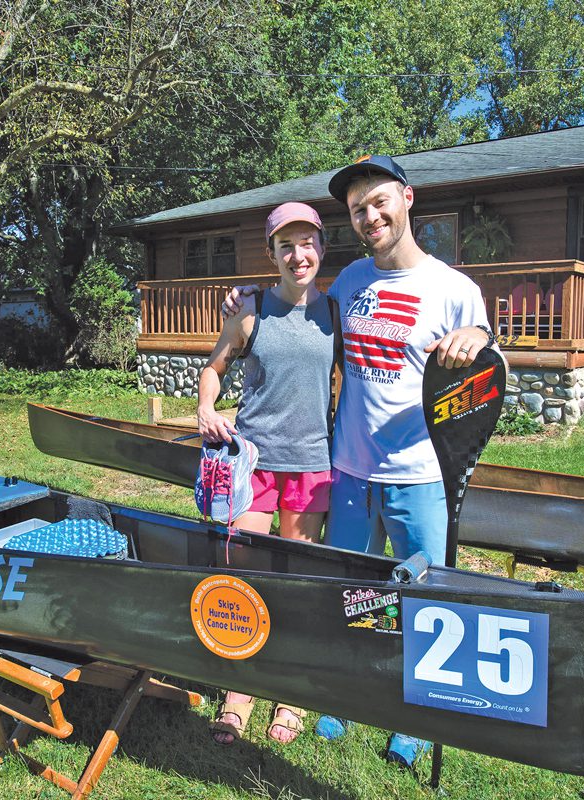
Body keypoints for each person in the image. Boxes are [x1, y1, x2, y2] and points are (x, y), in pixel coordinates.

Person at [222, 156, 494, 767]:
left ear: (407, 199)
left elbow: (484, 356)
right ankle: (341, 700)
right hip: (346, 470)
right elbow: (293, 312)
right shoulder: (348, 284)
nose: (370, 216)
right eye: (357, 209)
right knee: (350, 591)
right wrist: (241, 299)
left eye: (379, 202)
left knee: (426, 597)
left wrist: (479, 337)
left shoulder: (454, 289)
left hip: (421, 475)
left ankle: (418, 717)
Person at [197, 201, 335, 746]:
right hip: (253, 462)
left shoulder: (338, 313)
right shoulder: (250, 311)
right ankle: (239, 692)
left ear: (321, 248)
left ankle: (291, 695)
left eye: (307, 244)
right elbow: (214, 367)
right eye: (286, 246)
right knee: (244, 576)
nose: (298, 255)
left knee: (298, 581)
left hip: (311, 465)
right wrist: (207, 408)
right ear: (272, 253)